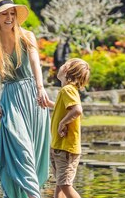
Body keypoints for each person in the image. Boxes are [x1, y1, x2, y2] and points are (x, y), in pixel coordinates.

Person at [0, 0, 51, 198]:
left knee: (34, 154)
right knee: (21, 150)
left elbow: (36, 63)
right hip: (11, 100)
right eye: (4, 14)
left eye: (12, 13)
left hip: (34, 99)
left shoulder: (27, 36)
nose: (9, 17)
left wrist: (40, 88)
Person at [47, 58, 90, 198]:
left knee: (65, 185)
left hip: (66, 148)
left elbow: (77, 110)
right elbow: (66, 109)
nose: (60, 66)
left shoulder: (67, 89)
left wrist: (62, 123)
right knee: (60, 184)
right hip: (59, 146)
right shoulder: (66, 91)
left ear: (67, 71)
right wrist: (50, 104)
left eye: (64, 64)